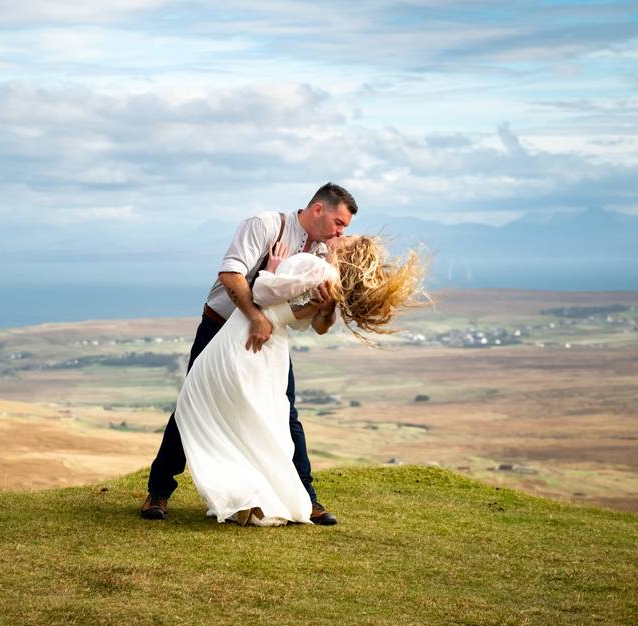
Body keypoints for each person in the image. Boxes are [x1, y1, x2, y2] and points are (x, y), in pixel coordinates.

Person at [141, 183, 357, 525]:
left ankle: (307, 499)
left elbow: (318, 324)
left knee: (286, 414)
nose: (341, 232)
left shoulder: (321, 257)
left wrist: (329, 306)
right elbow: (230, 273)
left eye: (344, 228)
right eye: (339, 223)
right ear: (318, 209)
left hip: (269, 339)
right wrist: (255, 317)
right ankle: (158, 491)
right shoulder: (266, 224)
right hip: (221, 327)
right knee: (193, 402)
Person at [176, 235, 426, 525]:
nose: (341, 236)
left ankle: (246, 493)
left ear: (347, 251)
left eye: (347, 237)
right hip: (274, 348)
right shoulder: (332, 284)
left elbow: (261, 294)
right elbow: (303, 321)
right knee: (259, 421)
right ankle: (254, 495)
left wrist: (272, 267)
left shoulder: (314, 266)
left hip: (247, 336)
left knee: (198, 402)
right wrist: (316, 308)